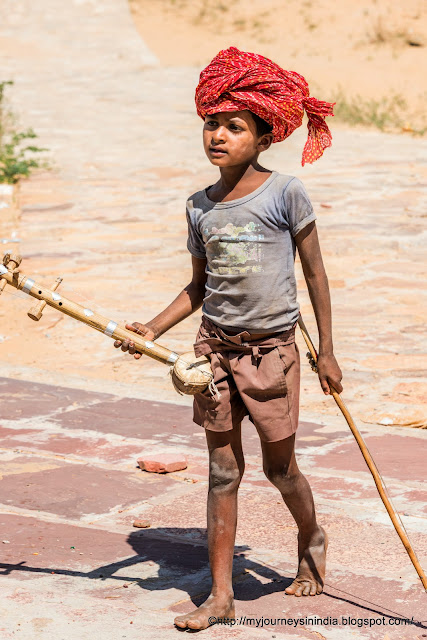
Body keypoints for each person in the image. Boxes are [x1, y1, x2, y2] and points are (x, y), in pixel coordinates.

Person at [114, 47, 343, 631]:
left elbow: (314, 274)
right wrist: (151, 329)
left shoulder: (285, 194)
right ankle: (220, 596)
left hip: (272, 354)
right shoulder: (200, 207)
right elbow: (197, 287)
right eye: (211, 124)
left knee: (280, 470)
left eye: (234, 126)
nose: (218, 135)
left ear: (263, 136)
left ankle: (311, 536)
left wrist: (330, 353)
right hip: (213, 352)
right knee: (222, 471)